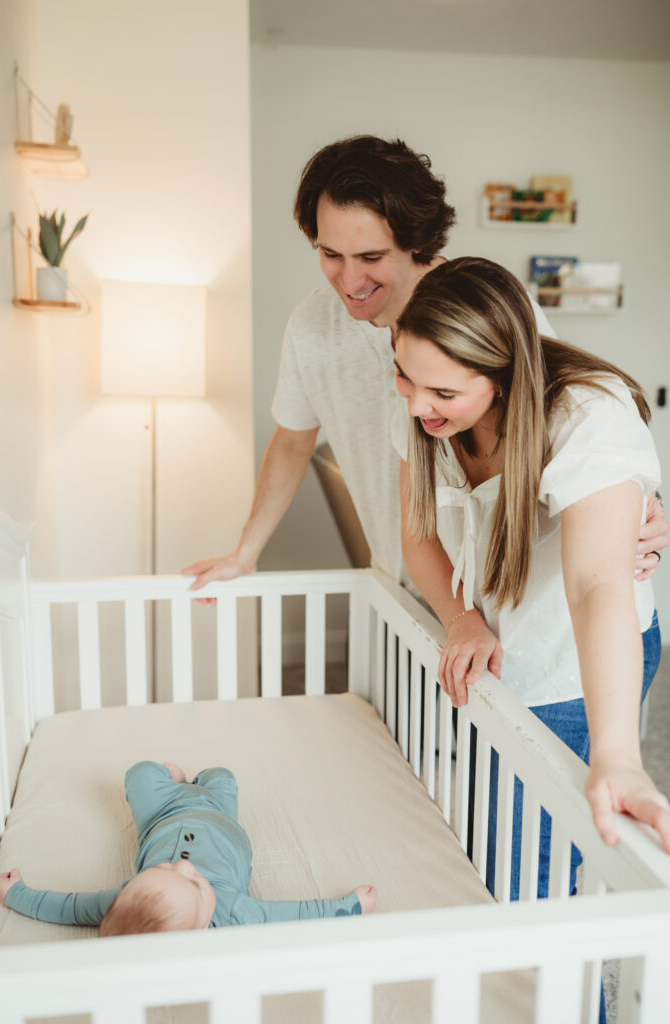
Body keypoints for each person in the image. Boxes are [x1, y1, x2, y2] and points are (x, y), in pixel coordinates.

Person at [182, 137, 668, 840]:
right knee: (470, 796)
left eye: (370, 258)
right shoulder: (408, 403)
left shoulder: (524, 358)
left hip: (549, 621)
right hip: (445, 590)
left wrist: (623, 513)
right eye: (328, 254)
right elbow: (308, 450)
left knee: (543, 820)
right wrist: (246, 551)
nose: (347, 281)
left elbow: (594, 548)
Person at [391, 256, 670, 894]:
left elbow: (597, 586)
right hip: (504, 639)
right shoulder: (419, 399)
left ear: (505, 375)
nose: (417, 406)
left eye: (444, 393)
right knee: (499, 843)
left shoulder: (587, 416)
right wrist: (461, 620)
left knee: (527, 880)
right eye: (405, 378)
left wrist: (619, 758)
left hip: (574, 656)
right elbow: (418, 532)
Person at [0, 761, 377, 934]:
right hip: (221, 817)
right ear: (200, 926)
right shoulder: (231, 912)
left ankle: (173, 778)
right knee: (223, 776)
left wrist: (18, 894)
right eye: (194, 884)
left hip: (162, 815)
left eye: (162, 870)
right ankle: (203, 781)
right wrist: (349, 905)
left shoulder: (125, 901)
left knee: (139, 774)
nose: (184, 866)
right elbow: (294, 916)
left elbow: (70, 907)